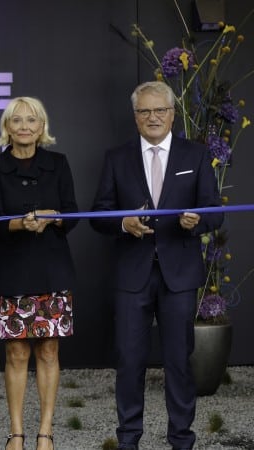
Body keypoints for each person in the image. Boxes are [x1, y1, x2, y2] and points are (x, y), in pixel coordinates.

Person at [90, 81, 223, 450]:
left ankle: (181, 438)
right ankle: (128, 438)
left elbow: (216, 211)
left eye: (160, 110)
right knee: (130, 361)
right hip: (132, 275)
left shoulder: (195, 156)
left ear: (171, 114)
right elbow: (97, 215)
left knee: (179, 360)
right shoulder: (117, 158)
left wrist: (198, 221)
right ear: (135, 117)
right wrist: (123, 223)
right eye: (145, 111)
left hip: (178, 274)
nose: (153, 117)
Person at [0, 97, 78, 450]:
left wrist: (54, 218)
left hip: (52, 268)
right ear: (6, 127)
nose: (24, 126)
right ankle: (17, 433)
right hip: (11, 270)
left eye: (31, 120)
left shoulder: (58, 163)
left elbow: (73, 214)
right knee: (16, 354)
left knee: (49, 352)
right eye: (16, 120)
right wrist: (21, 223)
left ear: (42, 127)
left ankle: (45, 432)